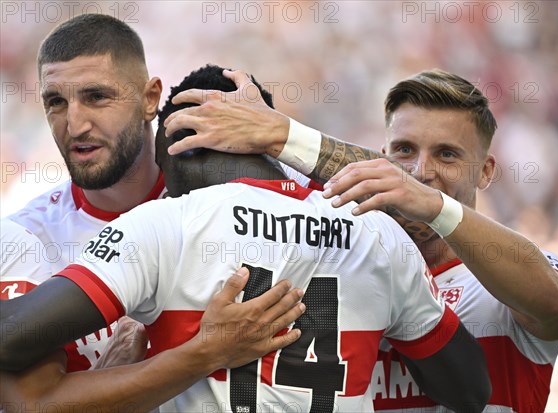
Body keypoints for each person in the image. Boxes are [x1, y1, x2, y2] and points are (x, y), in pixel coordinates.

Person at [1, 65, 491, 412]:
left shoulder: (162, 223)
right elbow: (470, 391)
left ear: (171, 157)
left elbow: (13, 340)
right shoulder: (377, 229)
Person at [161, 68, 558, 412]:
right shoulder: (331, 261)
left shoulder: (512, 278)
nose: (420, 171)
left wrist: (285, 136)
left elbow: (554, 304)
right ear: (382, 154)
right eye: (403, 151)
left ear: (486, 171)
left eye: (447, 155)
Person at [3, 13, 302, 373]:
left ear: (150, 98)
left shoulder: (241, 199)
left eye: (97, 97)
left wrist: (288, 136)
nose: (75, 125)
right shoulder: (25, 240)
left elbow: (379, 191)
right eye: (56, 102)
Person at [0, 220, 304, 411]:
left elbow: (30, 403)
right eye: (55, 110)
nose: (76, 123)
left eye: (97, 109)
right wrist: (206, 353)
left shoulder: (10, 243)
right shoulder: (28, 226)